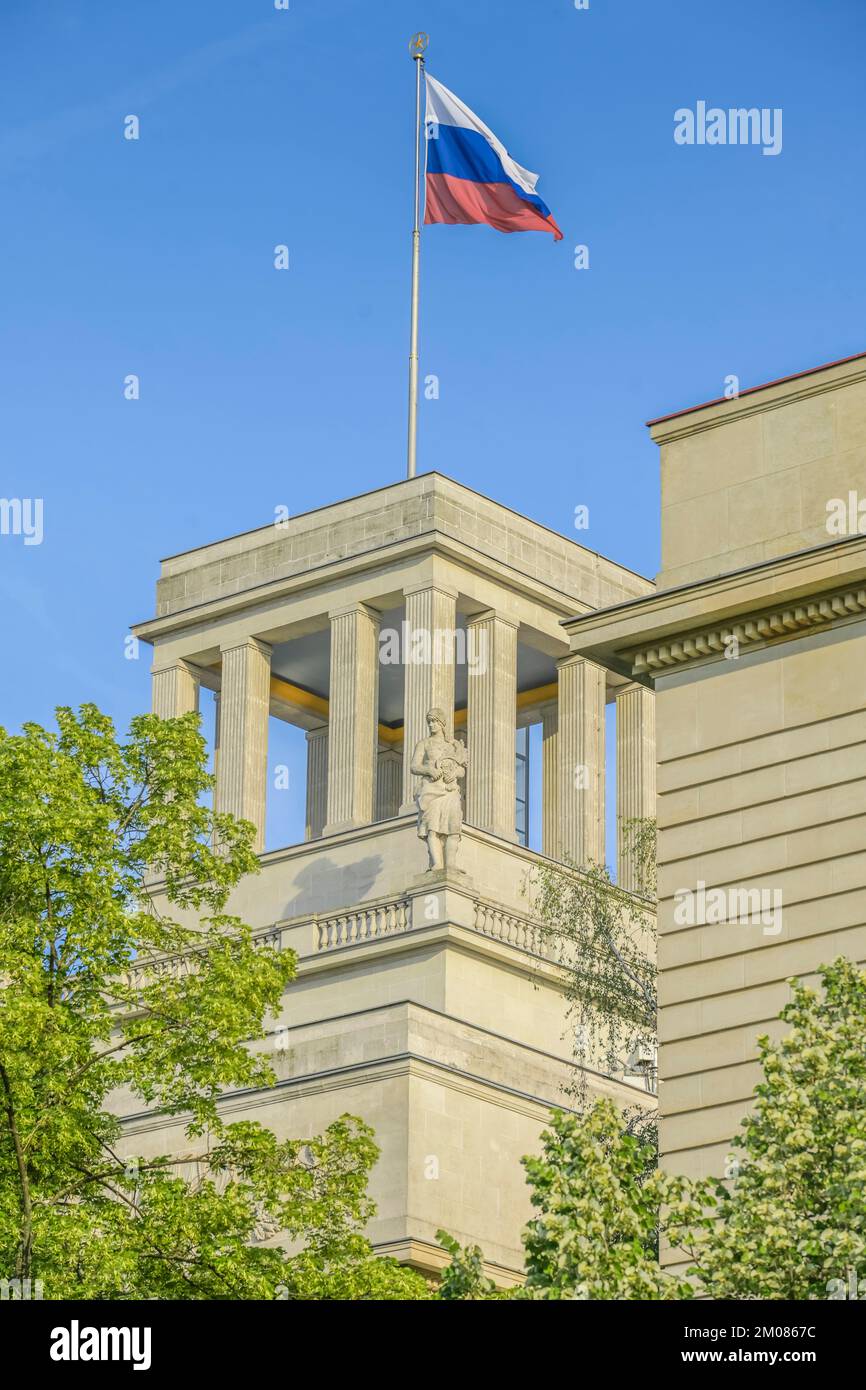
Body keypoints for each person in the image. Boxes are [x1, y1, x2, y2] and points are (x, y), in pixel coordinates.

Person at [410, 707, 467, 871]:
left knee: (453, 828)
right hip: (431, 791)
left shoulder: (453, 745)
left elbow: (461, 769)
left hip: (450, 790)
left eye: (434, 721)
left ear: (442, 724)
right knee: (432, 828)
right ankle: (437, 864)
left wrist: (455, 772)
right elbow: (414, 766)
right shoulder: (424, 744)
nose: (431, 725)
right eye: (429, 722)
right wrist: (429, 770)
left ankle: (450, 864)